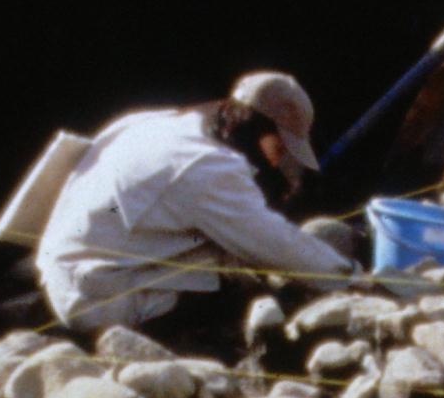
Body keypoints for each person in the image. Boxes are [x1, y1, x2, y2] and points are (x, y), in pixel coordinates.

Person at [37, 71, 355, 337]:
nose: (282, 159)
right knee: (236, 289)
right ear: (261, 129)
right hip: (95, 302)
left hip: (64, 270)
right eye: (283, 146)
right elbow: (275, 243)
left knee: (229, 258)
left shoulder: (157, 124)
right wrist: (349, 278)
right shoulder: (209, 168)